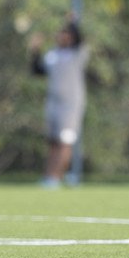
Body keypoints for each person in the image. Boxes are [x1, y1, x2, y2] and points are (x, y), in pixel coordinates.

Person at [29, 17, 89, 189]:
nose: (63, 37)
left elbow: (80, 39)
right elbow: (37, 71)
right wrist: (35, 50)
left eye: (66, 34)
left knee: (65, 142)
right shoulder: (53, 55)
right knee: (53, 142)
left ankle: (56, 178)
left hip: (70, 105)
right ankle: (49, 176)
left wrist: (73, 23)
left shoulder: (77, 54)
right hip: (53, 104)